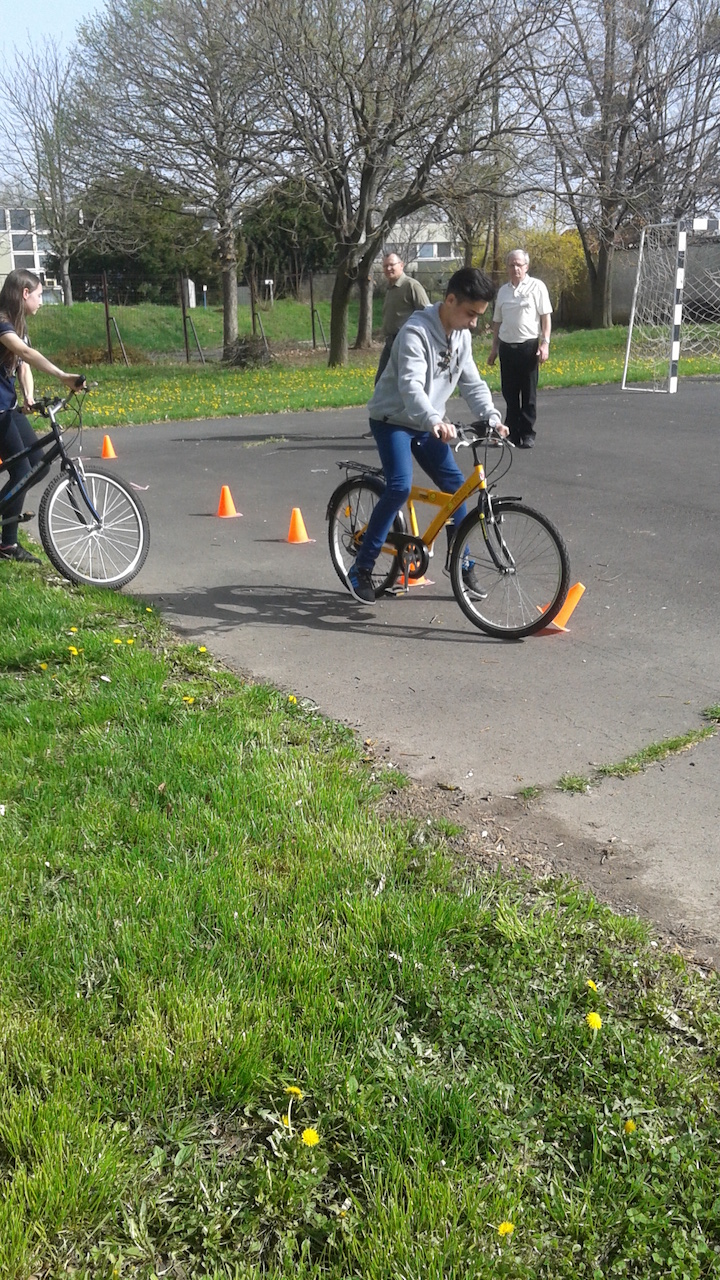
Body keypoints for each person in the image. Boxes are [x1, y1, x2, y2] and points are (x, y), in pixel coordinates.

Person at [347, 266, 508, 604]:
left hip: (427, 423)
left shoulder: (461, 337)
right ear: (450, 301)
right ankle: (362, 567)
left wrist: (491, 417)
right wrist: (434, 419)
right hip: (393, 420)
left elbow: (472, 384)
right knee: (399, 486)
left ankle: (460, 562)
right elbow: (411, 387)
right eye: (471, 313)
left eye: (479, 316)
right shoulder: (415, 332)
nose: (474, 323)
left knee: (456, 489)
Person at [0, 269, 85, 563]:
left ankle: (7, 544)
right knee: (22, 471)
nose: (41, 301)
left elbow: (23, 364)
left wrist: (28, 396)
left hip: (7, 407)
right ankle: (8, 543)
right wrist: (63, 375)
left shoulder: (18, 324)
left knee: (37, 465)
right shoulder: (1, 323)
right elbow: (25, 352)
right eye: (39, 295)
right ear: (25, 294)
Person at [488, 249, 552, 448]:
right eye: (511, 265)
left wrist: (545, 343)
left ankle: (527, 433)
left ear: (526, 266)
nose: (515, 268)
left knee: (528, 393)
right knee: (509, 393)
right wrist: (494, 348)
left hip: (528, 347)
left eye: (519, 265)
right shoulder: (503, 291)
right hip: (507, 348)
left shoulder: (537, 287)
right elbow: (497, 321)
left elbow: (545, 317)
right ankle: (512, 433)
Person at [375, 252, 430, 383]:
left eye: (391, 265)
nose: (388, 268)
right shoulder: (390, 288)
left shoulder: (411, 285)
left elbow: (427, 314)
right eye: (385, 266)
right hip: (390, 342)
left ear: (401, 265)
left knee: (405, 381)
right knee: (381, 382)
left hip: (406, 342)